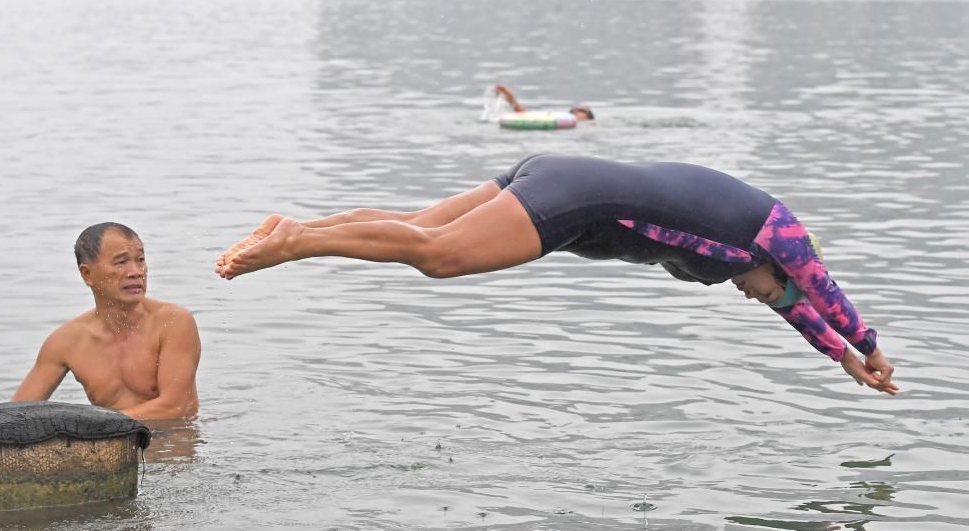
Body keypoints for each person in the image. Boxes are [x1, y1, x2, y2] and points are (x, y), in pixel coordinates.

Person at [215, 154, 896, 394]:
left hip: (560, 174)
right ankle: (299, 241)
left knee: (420, 226)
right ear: (776, 266)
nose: (759, 297)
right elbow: (821, 292)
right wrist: (866, 345)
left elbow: (795, 308)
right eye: (768, 289)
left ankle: (295, 226)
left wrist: (839, 359)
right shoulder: (775, 233)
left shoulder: (747, 260)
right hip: (576, 197)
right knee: (440, 256)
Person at [13, 222, 202, 419]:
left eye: (140, 260)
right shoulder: (65, 342)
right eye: (121, 262)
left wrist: (87, 427)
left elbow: (174, 408)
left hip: (172, 444)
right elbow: (15, 415)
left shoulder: (173, 322)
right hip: (110, 444)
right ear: (87, 274)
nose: (136, 271)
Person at [494, 84, 594, 121]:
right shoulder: (561, 119)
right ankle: (511, 99)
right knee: (524, 114)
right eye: (574, 111)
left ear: (588, 116)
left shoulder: (591, 125)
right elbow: (525, 115)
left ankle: (511, 99)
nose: (577, 113)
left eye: (581, 111)